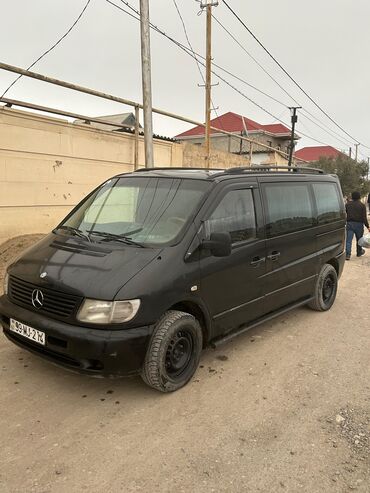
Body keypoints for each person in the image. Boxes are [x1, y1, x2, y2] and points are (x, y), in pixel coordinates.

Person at [345, 191, 369, 260]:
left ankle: (348, 255)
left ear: (352, 197)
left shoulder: (347, 204)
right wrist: (368, 226)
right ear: (359, 197)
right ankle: (359, 252)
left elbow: (344, 214)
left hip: (349, 223)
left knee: (348, 240)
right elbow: (364, 217)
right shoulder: (362, 205)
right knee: (359, 239)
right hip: (359, 225)